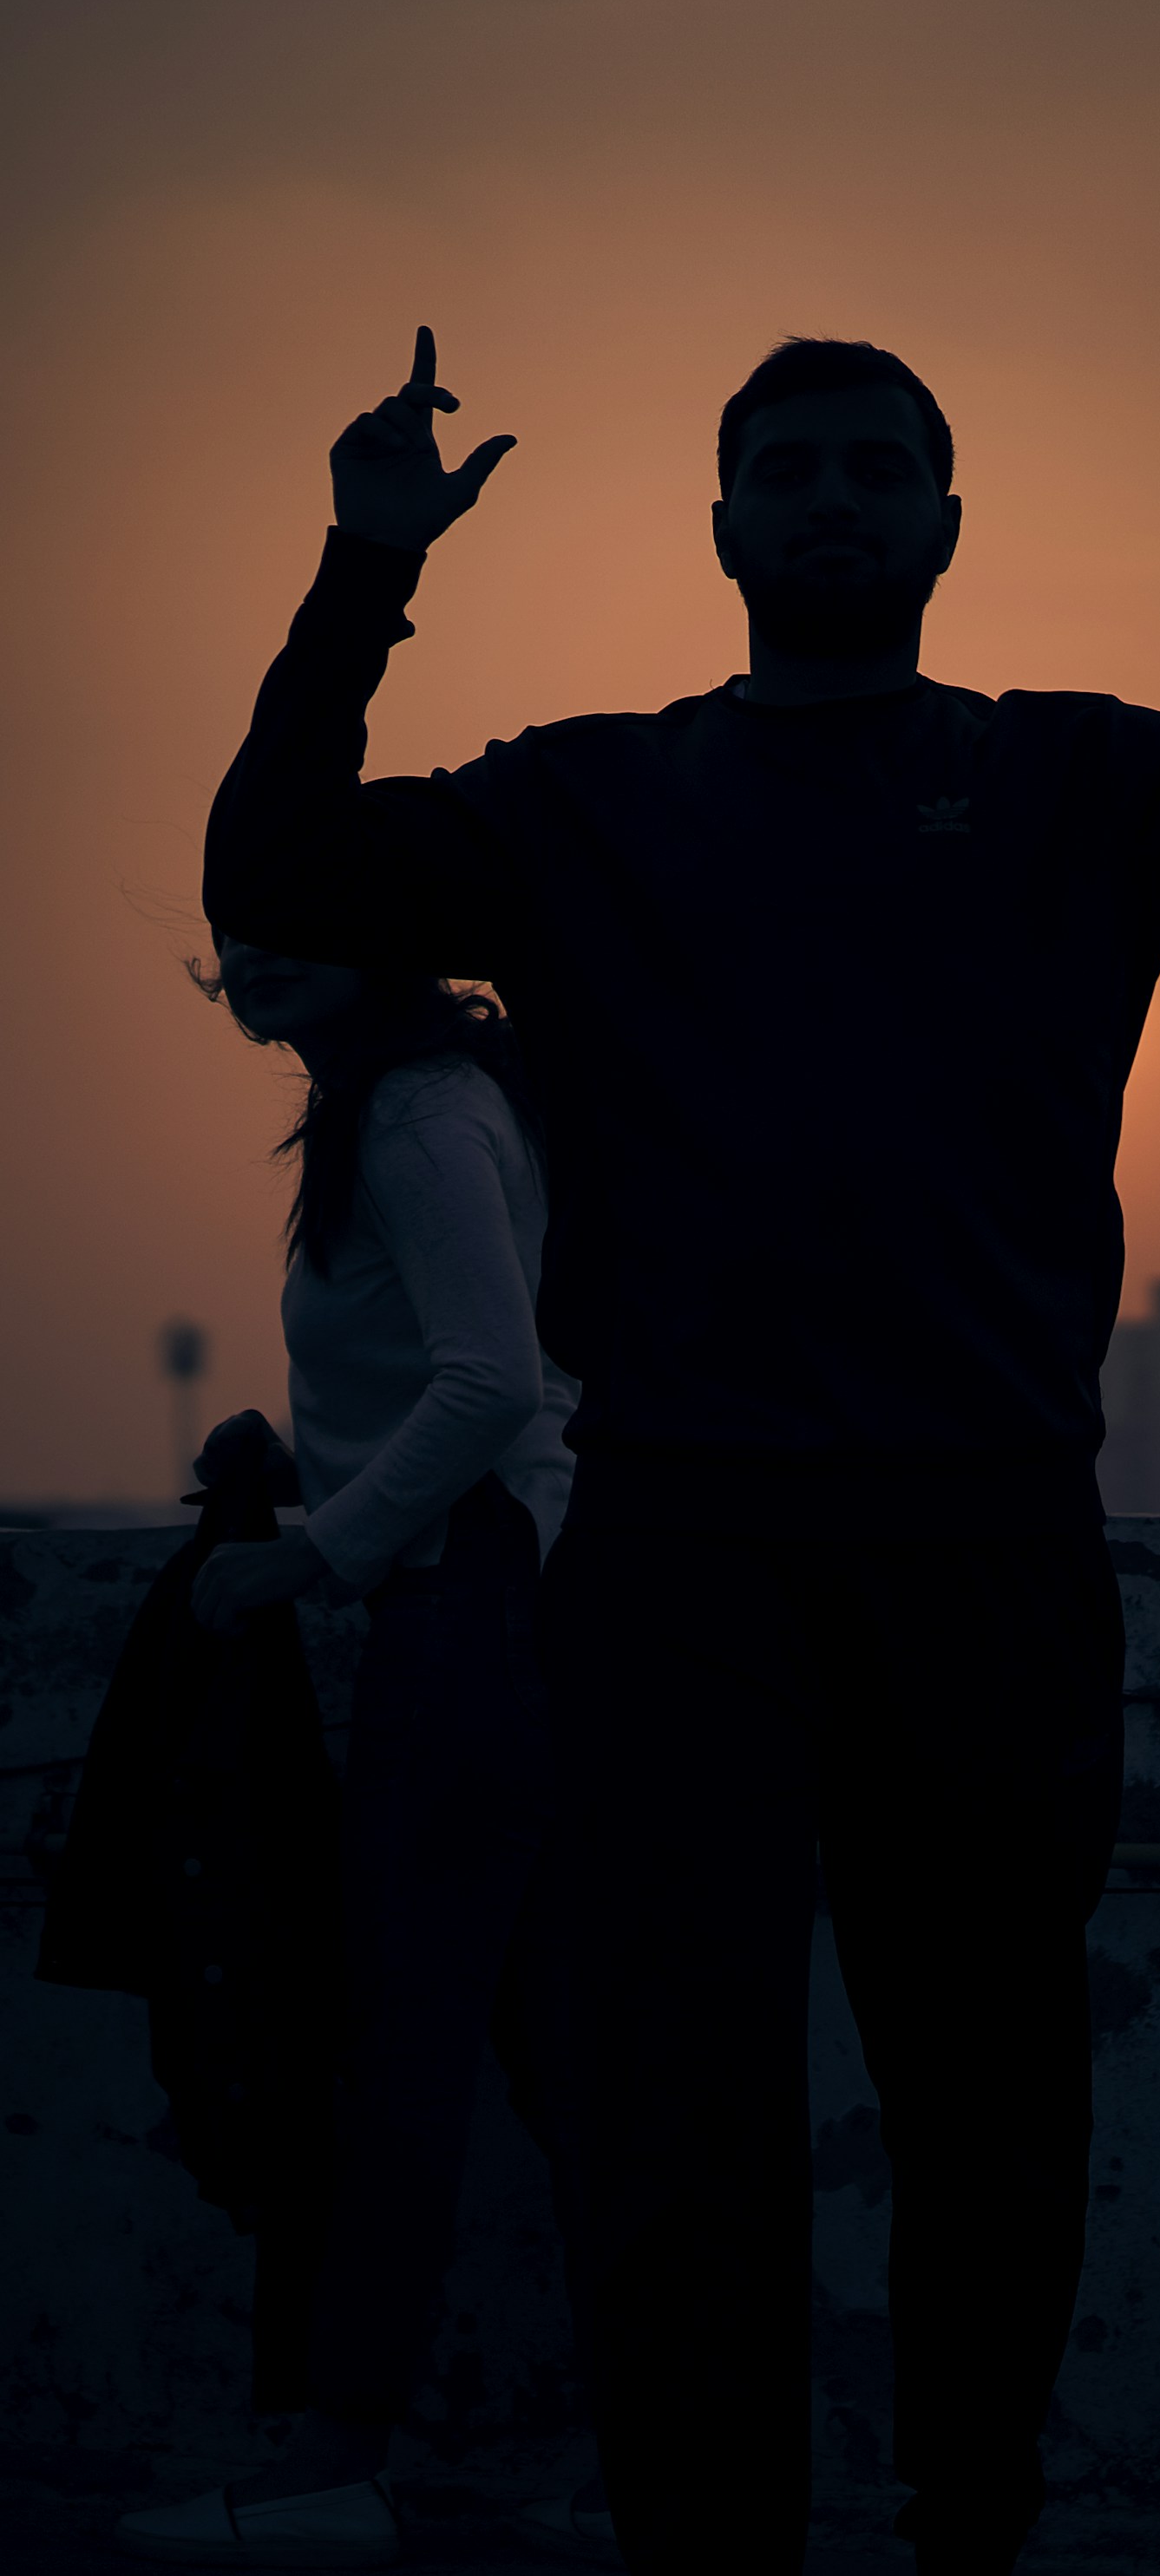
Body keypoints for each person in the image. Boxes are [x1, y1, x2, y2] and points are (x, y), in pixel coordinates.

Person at [200, 199, 1160, 2576]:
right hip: (683, 1546)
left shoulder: (1080, 785)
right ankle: (716, 2553)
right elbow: (274, 853)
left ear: (941, 523)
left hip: (988, 1533)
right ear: (720, 527)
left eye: (869, 466)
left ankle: (966, 2529)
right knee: (678, 2110)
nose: (826, 496)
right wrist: (360, 560)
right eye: (785, 464)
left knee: (989, 2094)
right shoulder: (581, 802)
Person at [115, 946, 593, 2566]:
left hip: (469, 1617)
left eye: (286, 913)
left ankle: (336, 2464)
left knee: (402, 2047)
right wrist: (307, 1480)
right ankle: (668, 2448)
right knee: (560, 2063)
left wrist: (310, 1560)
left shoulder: (419, 1116)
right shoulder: (402, 1105)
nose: (245, 952)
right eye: (231, 913)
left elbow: (495, 1383)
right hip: (487, 1604)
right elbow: (460, 1389)